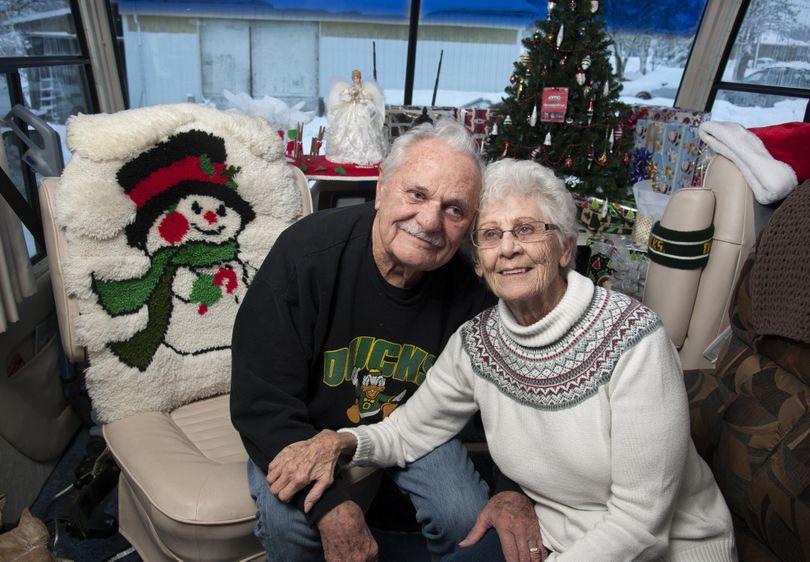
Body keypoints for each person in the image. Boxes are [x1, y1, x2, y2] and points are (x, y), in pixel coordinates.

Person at [268, 159, 738, 561]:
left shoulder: (633, 339)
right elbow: (407, 431)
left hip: (663, 548)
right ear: (477, 262)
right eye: (490, 235)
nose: (508, 247)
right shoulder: (477, 343)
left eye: (528, 229)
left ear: (565, 248)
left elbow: (642, 525)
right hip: (549, 535)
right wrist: (339, 442)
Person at [231, 123, 541, 562]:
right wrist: (333, 506)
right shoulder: (306, 256)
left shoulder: (474, 289)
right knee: (290, 526)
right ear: (381, 189)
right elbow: (260, 399)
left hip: (413, 431)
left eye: (454, 209)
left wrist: (512, 491)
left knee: (463, 515)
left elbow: (511, 398)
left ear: (470, 223)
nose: (430, 221)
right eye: (416, 194)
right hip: (303, 430)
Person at [325, 69, 387, 165]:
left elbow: (368, 99)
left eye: (357, 77)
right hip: (350, 111)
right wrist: (350, 97)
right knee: (346, 129)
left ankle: (364, 153)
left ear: (360, 78)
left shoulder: (365, 89)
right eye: (354, 78)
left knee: (364, 130)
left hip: (361, 111)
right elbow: (343, 96)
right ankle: (347, 152)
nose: (356, 79)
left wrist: (361, 98)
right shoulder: (349, 89)